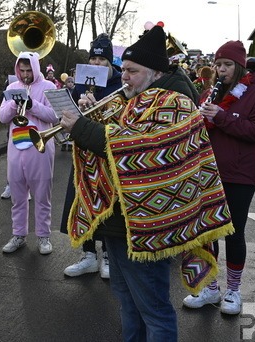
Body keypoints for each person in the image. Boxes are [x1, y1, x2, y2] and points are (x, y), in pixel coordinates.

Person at [60, 26, 234, 341]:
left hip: (150, 226)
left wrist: (84, 128)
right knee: (128, 304)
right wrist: (87, 115)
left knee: (154, 310)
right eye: (122, 69)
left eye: (131, 70)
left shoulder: (174, 101)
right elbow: (108, 139)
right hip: (117, 223)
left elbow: (140, 147)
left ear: (153, 72)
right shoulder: (132, 99)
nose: (123, 76)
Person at [182, 41, 255, 315]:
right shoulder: (211, 92)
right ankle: (210, 287)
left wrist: (222, 117)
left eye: (227, 65)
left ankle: (233, 291)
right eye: (218, 65)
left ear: (239, 66)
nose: (221, 70)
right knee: (206, 230)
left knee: (233, 233)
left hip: (240, 175)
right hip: (208, 172)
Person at [61, 33, 122, 278]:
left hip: (105, 153)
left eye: (102, 60)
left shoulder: (119, 85)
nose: (96, 64)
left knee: (106, 201)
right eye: (93, 59)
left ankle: (108, 255)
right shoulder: (80, 83)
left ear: (110, 64)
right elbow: (70, 113)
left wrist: (99, 106)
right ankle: (88, 254)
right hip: (82, 153)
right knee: (82, 199)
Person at [0, 51, 59, 255]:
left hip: (40, 147)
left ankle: (43, 236)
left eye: (28, 70)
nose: (25, 75)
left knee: (42, 194)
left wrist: (33, 105)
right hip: (16, 146)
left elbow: (55, 116)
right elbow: (1, 117)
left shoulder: (49, 87)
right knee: (17, 194)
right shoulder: (12, 87)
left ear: (35, 68)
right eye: (21, 70)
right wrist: (15, 104)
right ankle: (19, 235)